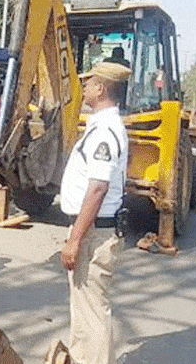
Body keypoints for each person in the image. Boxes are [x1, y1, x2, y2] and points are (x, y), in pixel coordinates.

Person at [59, 62, 130, 364]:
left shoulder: (105, 132)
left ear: (101, 88)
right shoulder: (102, 127)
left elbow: (97, 188)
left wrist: (75, 239)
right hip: (94, 229)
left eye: (88, 82)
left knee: (92, 313)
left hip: (93, 233)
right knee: (85, 311)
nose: (84, 87)